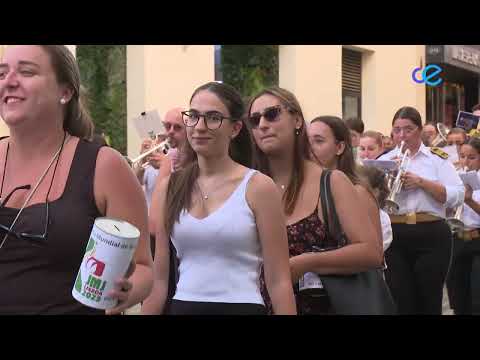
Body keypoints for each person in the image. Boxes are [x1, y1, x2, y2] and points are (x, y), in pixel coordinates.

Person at [0, 45, 153, 315]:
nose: (9, 81)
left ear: (65, 91)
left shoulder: (104, 165)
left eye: (26, 72)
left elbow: (143, 267)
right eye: (2, 73)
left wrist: (126, 290)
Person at [142, 82, 296, 315]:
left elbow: (279, 281)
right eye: (193, 116)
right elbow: (159, 281)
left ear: (234, 129)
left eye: (213, 118)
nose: (200, 127)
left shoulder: (259, 187)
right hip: (183, 306)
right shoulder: (170, 187)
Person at [247, 87, 382, 314]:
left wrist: (305, 262)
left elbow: (371, 252)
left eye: (271, 114)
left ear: (297, 120)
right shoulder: (247, 184)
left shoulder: (331, 182)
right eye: (254, 119)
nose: (262, 124)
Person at [378, 106, 464, 314]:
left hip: (431, 232)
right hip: (395, 233)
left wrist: (421, 182)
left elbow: (458, 194)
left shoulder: (437, 158)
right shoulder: (383, 161)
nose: (402, 136)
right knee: (400, 298)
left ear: (419, 131)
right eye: (397, 130)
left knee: (429, 298)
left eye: (408, 130)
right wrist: (386, 181)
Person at [446, 137, 480, 314]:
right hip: (458, 239)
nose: (465, 162)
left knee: (477, 298)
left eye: (472, 157)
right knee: (457, 297)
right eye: (462, 156)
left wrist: (470, 201)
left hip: (477, 240)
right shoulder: (455, 178)